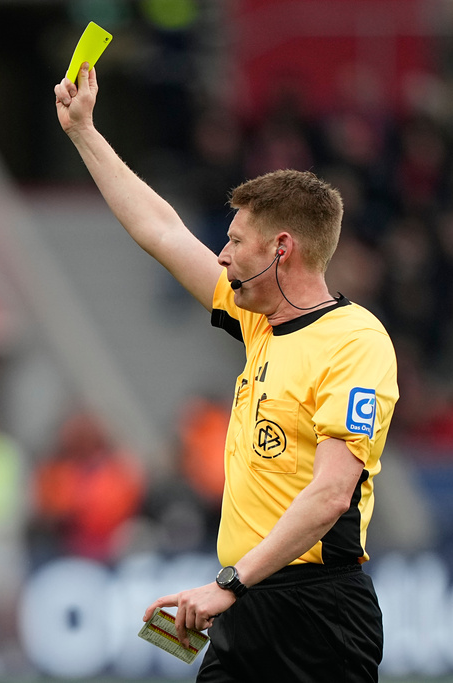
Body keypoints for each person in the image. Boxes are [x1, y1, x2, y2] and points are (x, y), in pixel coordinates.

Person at [55, 64, 398, 681]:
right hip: (246, 604)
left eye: (237, 242)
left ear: (281, 249)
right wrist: (84, 131)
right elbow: (160, 230)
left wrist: (231, 583)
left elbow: (328, 496)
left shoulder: (355, 341)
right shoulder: (260, 323)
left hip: (317, 612)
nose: (222, 255)